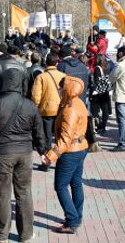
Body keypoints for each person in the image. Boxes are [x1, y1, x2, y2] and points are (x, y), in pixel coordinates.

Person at [0, 69, 45, 243]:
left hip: (2, 153)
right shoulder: (29, 104)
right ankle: (26, 233)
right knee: (24, 193)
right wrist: (43, 150)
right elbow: (39, 131)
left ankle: (1, 234)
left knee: (3, 194)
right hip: (25, 153)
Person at [40, 76, 88, 234]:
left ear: (67, 89)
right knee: (76, 183)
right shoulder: (78, 102)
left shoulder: (70, 109)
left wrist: (50, 156)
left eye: (61, 88)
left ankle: (72, 220)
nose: (59, 90)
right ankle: (77, 216)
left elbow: (66, 137)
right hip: (80, 148)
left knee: (60, 186)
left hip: (70, 151)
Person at [31, 52, 66, 171]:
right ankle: (61, 162)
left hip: (45, 111)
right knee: (59, 138)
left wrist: (34, 109)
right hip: (60, 110)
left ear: (46, 63)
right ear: (57, 62)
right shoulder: (63, 75)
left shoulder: (41, 77)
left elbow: (36, 96)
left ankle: (46, 163)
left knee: (46, 138)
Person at [91, 55, 111, 134]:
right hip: (105, 90)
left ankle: (97, 125)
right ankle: (103, 125)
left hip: (99, 92)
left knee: (95, 110)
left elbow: (96, 81)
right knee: (105, 109)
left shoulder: (97, 68)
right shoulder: (107, 67)